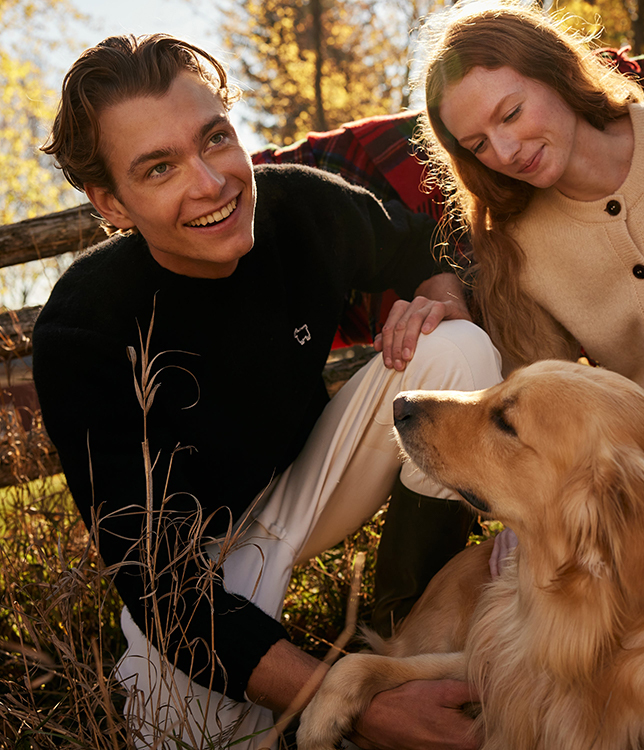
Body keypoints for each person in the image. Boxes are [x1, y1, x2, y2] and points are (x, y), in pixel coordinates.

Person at [33, 34, 502, 749]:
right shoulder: (83, 328)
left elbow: (416, 247)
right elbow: (163, 590)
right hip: (194, 564)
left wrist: (440, 298)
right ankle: (368, 702)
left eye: (214, 138)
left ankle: (405, 640)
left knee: (457, 351)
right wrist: (355, 711)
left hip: (307, 483)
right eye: (159, 168)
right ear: (111, 202)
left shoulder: (299, 206)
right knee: (191, 736)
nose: (212, 182)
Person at [417, 1, 644, 546]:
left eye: (511, 114)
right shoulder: (514, 243)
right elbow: (538, 405)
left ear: (557, 71)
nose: (503, 151)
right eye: (477, 145)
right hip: (638, 463)